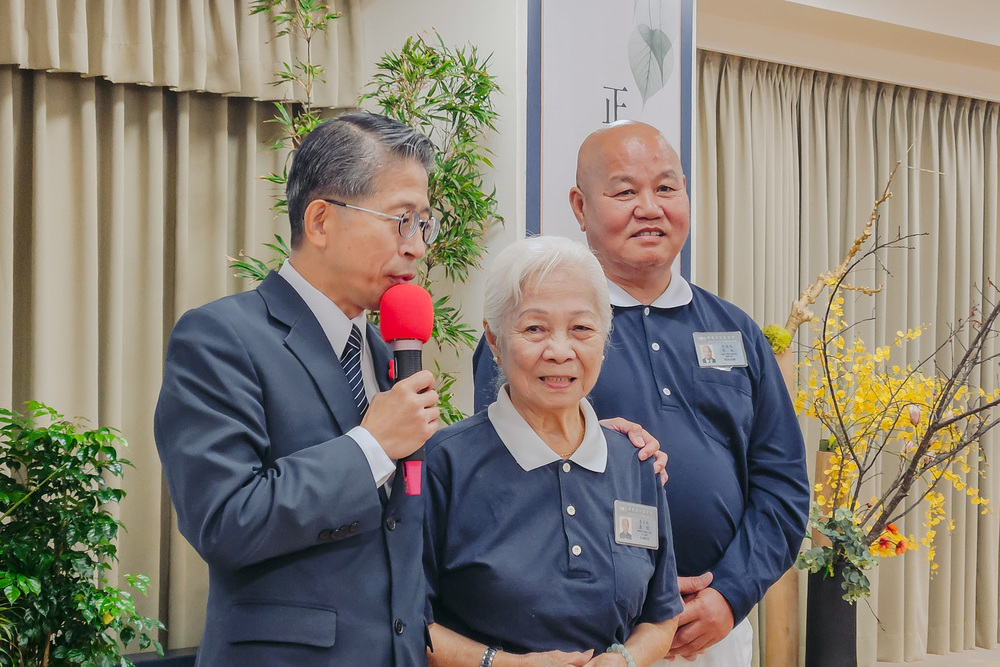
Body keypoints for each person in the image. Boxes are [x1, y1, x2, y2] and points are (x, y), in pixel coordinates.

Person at [473, 121, 809, 666]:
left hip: (712, 631)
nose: (649, 208)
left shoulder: (735, 330)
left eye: (666, 188)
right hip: (586, 636)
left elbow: (782, 484)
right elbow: (501, 488)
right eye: (625, 191)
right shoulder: (535, 339)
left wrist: (731, 594)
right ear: (580, 207)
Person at [154, 112, 442, 666]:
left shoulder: (390, 357)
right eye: (401, 220)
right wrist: (371, 447)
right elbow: (224, 521)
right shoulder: (221, 337)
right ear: (320, 221)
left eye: (424, 225)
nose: (416, 247)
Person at [426, 236, 683, 667]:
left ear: (604, 339)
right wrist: (506, 665)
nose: (561, 352)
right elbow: (404, 620)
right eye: (535, 329)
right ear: (494, 340)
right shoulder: (443, 464)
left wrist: (624, 660)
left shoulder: (635, 461)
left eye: (581, 329)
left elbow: (661, 614)